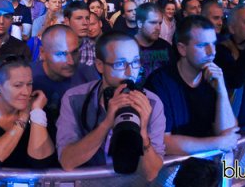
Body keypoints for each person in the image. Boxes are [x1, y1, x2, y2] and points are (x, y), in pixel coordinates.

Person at [56, 32, 165, 181]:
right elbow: (67, 162)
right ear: (100, 65)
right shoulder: (74, 98)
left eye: (135, 62)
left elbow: (152, 173)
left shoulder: (152, 103)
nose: (129, 72)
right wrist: (107, 123)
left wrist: (143, 133)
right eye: (120, 64)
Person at [145, 16, 240, 155]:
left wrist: (222, 92)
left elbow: (228, 132)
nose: (211, 52)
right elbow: (162, 142)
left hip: (205, 167)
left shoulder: (213, 77)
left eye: (213, 44)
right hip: (170, 172)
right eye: (202, 45)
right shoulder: (159, 83)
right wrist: (217, 143)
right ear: (182, 49)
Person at [0, 55, 55, 167]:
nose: (26, 92)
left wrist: (37, 112)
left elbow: (41, 162)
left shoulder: (38, 109)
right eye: (18, 85)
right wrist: (23, 117)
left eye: (29, 84)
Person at [31, 25, 99, 140]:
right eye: (61, 54)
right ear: (42, 53)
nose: (71, 61)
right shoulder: (27, 79)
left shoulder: (88, 76)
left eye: (75, 52)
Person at [133, 3, 174, 84]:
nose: (158, 28)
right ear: (140, 24)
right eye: (153, 23)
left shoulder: (166, 47)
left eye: (160, 23)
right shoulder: (126, 47)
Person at [63, 1, 92, 66]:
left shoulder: (94, 49)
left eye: (87, 18)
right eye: (79, 18)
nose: (85, 23)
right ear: (67, 21)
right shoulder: (55, 47)